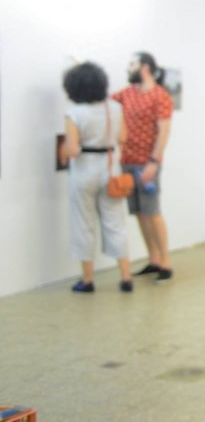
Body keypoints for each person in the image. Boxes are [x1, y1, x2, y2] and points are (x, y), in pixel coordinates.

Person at [61, 62, 133, 293]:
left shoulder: (74, 113)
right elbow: (123, 137)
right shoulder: (115, 108)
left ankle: (88, 279)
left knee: (83, 224)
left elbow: (73, 150)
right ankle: (126, 277)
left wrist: (67, 148)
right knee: (116, 222)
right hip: (110, 169)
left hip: (84, 171)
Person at [112, 52, 174, 281]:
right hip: (128, 161)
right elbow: (105, 101)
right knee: (139, 212)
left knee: (152, 211)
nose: (128, 68)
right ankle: (153, 259)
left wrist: (154, 162)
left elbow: (164, 131)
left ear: (145, 67)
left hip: (147, 163)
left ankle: (165, 262)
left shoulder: (160, 96)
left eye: (132, 64)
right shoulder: (127, 93)